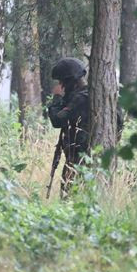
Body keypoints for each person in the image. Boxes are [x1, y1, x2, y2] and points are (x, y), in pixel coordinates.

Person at [46, 57, 90, 199]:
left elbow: (57, 120)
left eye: (62, 82)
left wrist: (57, 97)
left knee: (69, 197)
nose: (60, 85)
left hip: (79, 158)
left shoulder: (81, 98)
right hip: (77, 156)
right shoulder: (80, 95)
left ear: (71, 81)